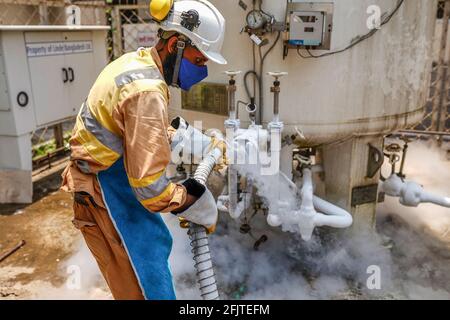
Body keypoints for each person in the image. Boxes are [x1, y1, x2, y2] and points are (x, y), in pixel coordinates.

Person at [60, 0, 227, 300]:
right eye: (199, 61)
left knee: (153, 247)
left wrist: (193, 140)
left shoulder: (137, 64)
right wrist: (191, 197)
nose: (202, 71)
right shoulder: (147, 91)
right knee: (146, 276)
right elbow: (151, 189)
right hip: (105, 186)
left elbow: (136, 130)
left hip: (110, 173)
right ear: (176, 44)